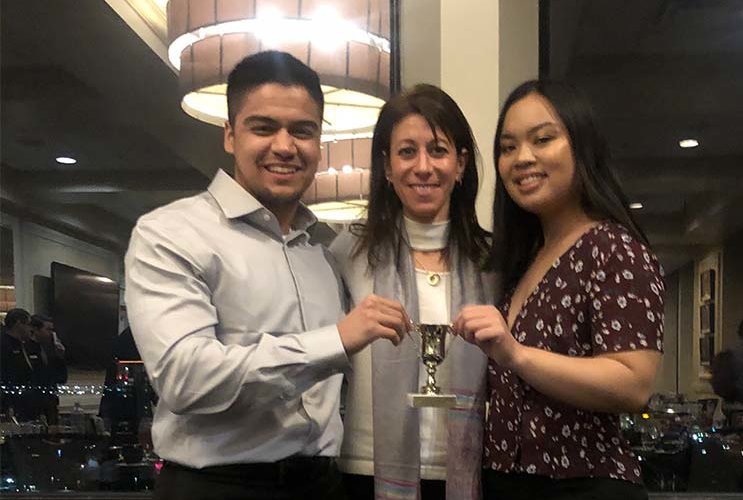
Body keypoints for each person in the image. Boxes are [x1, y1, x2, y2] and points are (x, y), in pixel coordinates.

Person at [125, 50, 408, 500]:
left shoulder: (324, 251)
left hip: (323, 483)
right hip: (216, 487)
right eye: (263, 127)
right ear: (230, 135)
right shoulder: (171, 233)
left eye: (303, 131)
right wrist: (334, 340)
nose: (284, 146)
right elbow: (185, 378)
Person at [453, 80, 664, 500]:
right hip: (508, 482)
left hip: (583, 484)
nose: (522, 158)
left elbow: (632, 382)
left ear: (581, 146)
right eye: (508, 147)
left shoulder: (613, 247)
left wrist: (516, 354)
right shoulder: (523, 259)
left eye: (543, 139)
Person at [330, 84, 496, 500]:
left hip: (472, 471)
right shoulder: (348, 251)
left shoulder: (494, 261)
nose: (423, 167)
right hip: (366, 469)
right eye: (407, 152)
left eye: (438, 151)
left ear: (460, 165)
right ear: (386, 167)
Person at [0, 308, 46, 421]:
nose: (30, 329)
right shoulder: (4, 345)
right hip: (11, 400)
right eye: (28, 324)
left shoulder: (28, 346)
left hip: (29, 400)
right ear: (18, 323)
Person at [30, 314, 67, 423]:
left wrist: (60, 358)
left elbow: (61, 378)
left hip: (50, 399)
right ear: (36, 329)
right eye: (48, 329)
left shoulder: (49, 349)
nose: (51, 333)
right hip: (35, 400)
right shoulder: (29, 348)